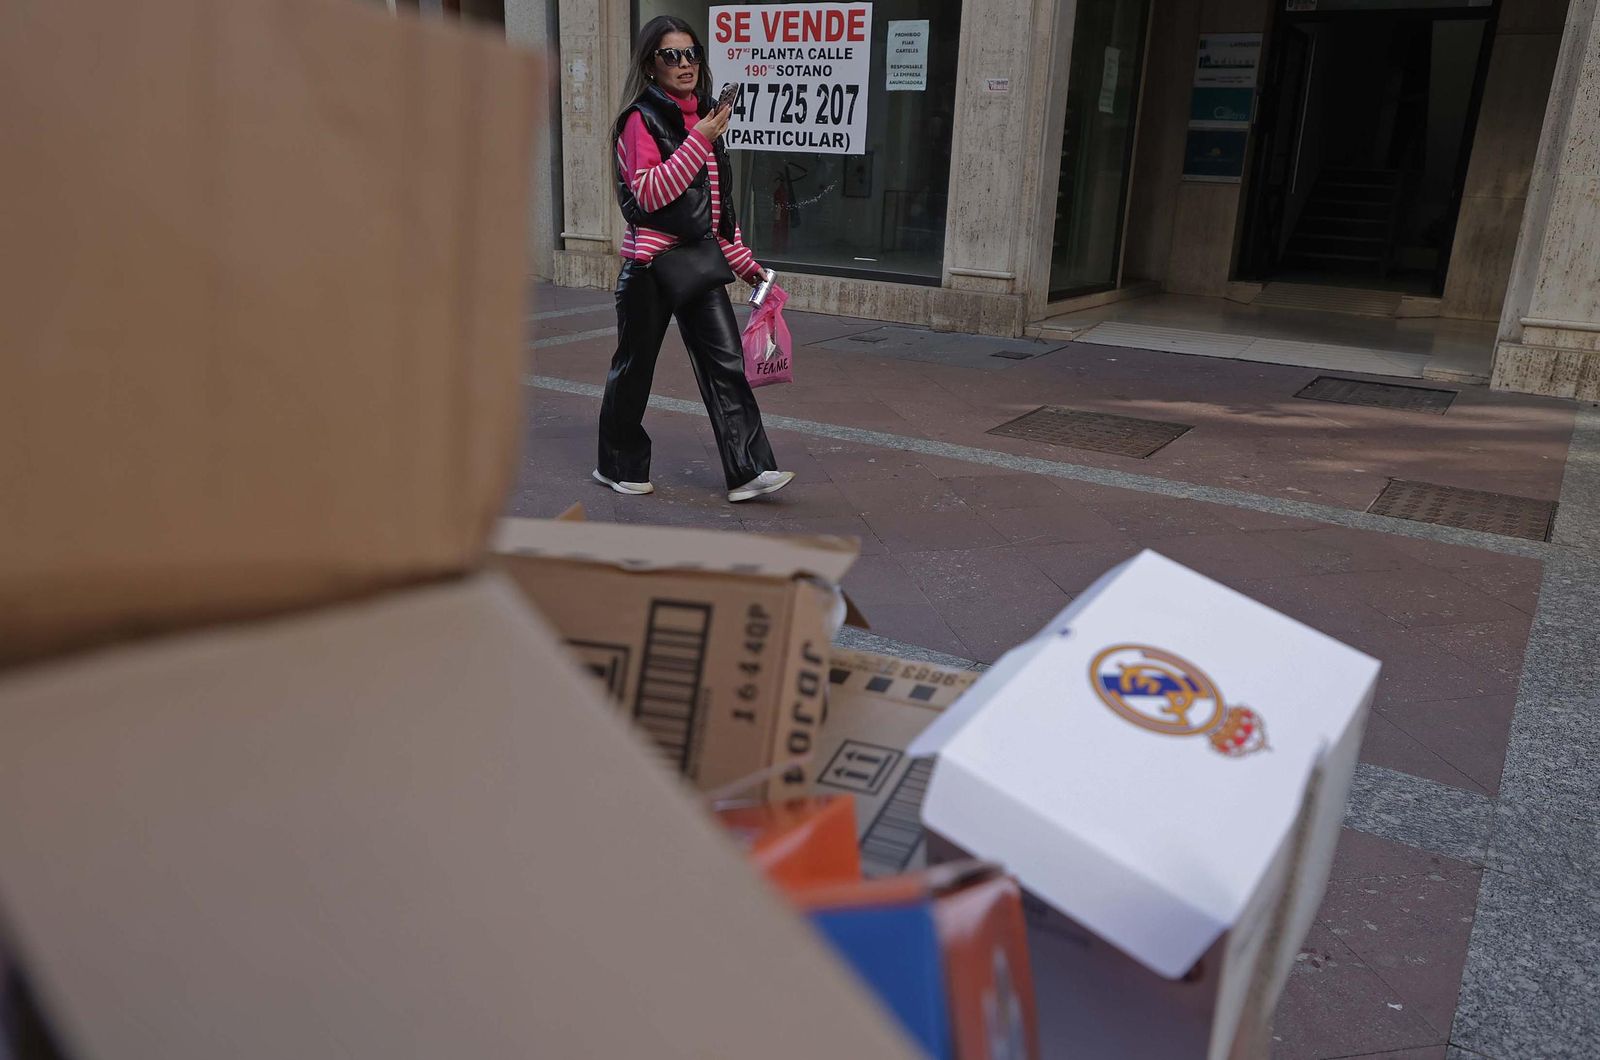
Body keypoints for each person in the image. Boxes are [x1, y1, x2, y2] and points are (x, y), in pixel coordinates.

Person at [595, 16, 794, 504]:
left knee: (726, 364)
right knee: (634, 369)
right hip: (650, 269)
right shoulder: (640, 120)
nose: (684, 64)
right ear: (650, 65)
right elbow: (648, 195)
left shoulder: (705, 117)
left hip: (699, 263)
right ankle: (617, 465)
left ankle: (748, 469)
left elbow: (715, 212)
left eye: (691, 54)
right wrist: (700, 138)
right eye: (671, 56)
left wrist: (749, 265)